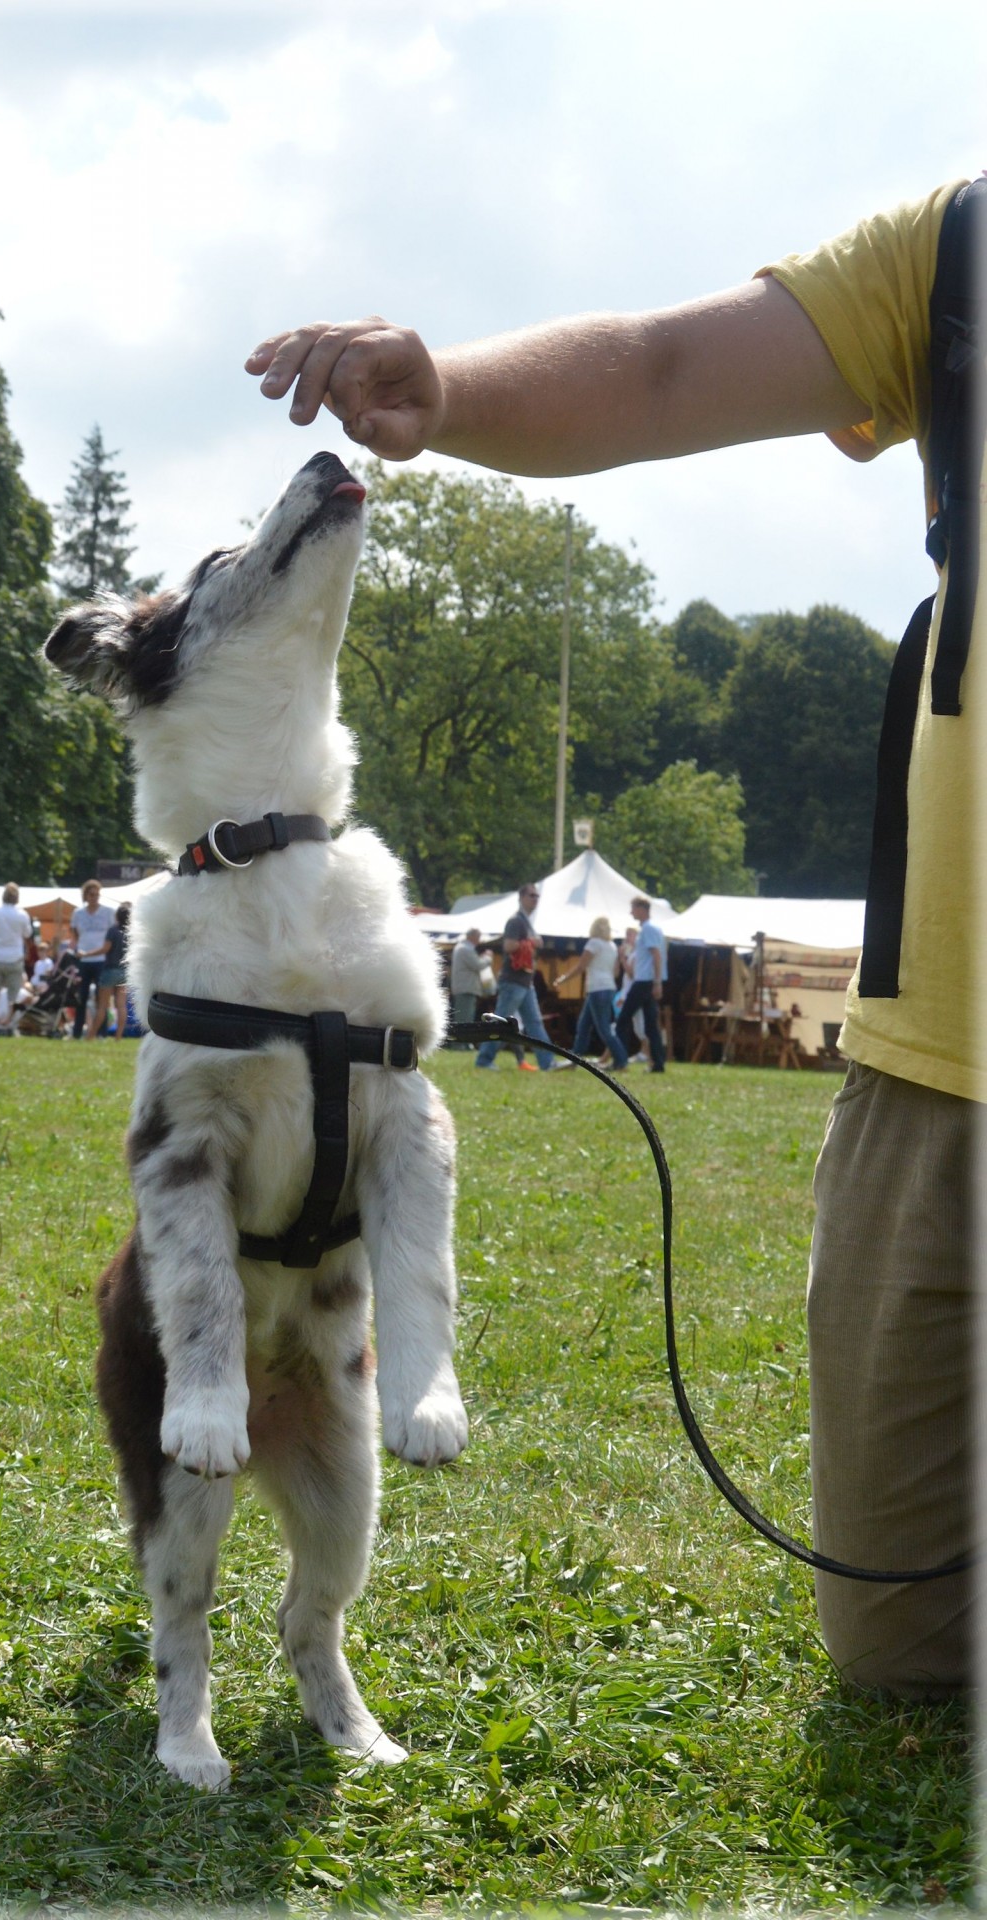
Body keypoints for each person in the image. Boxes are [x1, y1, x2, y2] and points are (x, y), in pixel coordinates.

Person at [249, 177, 982, 1695]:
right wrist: (444, 393)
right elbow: (658, 365)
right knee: (903, 1655)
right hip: (943, 1066)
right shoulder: (961, 241)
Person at [473, 884, 558, 1072]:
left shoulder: (526, 921)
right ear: (521, 898)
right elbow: (509, 946)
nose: (535, 899)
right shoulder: (515, 921)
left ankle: (547, 1062)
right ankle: (484, 1060)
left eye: (537, 896)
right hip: (513, 981)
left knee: (534, 1023)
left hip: (525, 982)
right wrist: (532, 942)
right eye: (532, 896)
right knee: (501, 1022)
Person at [564, 915, 629, 1070]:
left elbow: (581, 966)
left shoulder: (593, 943)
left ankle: (621, 1060)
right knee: (584, 1026)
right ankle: (575, 1059)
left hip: (596, 988)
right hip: (608, 988)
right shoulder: (612, 946)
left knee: (603, 1029)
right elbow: (615, 973)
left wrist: (563, 979)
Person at [614, 896, 667, 1074]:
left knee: (622, 1020)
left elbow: (656, 956)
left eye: (633, 909)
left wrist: (657, 982)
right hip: (647, 981)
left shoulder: (648, 930)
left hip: (644, 981)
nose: (631, 912)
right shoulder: (650, 929)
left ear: (642, 909)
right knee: (651, 1025)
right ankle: (658, 1064)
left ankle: (620, 1060)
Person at [69, 879, 116, 1040]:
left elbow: (112, 935)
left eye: (97, 894)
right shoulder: (78, 913)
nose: (94, 897)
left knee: (101, 999)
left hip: (102, 960)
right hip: (83, 960)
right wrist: (76, 950)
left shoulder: (108, 912)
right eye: (91, 894)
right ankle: (77, 1032)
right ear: (86, 895)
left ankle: (100, 1033)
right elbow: (74, 934)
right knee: (80, 997)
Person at [0, 883, 31, 1038]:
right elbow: (27, 933)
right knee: (13, 998)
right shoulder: (22, 915)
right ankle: (10, 1028)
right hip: (14, 959)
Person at [92, 901, 131, 1039]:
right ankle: (118, 1036)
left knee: (103, 1005)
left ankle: (91, 1036)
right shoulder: (131, 933)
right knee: (121, 1005)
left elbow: (105, 949)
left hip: (110, 970)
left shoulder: (112, 930)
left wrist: (86, 954)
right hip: (124, 972)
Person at [448, 926, 485, 1041]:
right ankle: (460, 1043)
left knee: (464, 1017)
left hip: (464, 987)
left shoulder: (462, 947)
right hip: (466, 988)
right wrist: (488, 959)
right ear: (472, 936)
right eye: (478, 937)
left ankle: (462, 1042)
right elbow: (477, 965)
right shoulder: (466, 949)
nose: (479, 940)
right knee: (464, 1019)